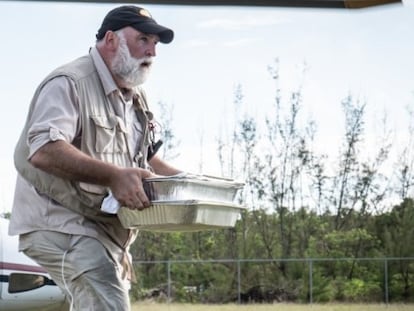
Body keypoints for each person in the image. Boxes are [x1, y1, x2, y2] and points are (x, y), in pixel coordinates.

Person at [8, 5, 181, 311]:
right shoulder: (70, 82)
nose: (152, 50)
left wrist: (187, 184)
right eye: (143, 39)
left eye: (156, 43)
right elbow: (43, 150)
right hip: (60, 224)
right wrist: (113, 176)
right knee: (108, 304)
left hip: (103, 231)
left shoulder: (135, 97)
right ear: (111, 39)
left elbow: (147, 160)